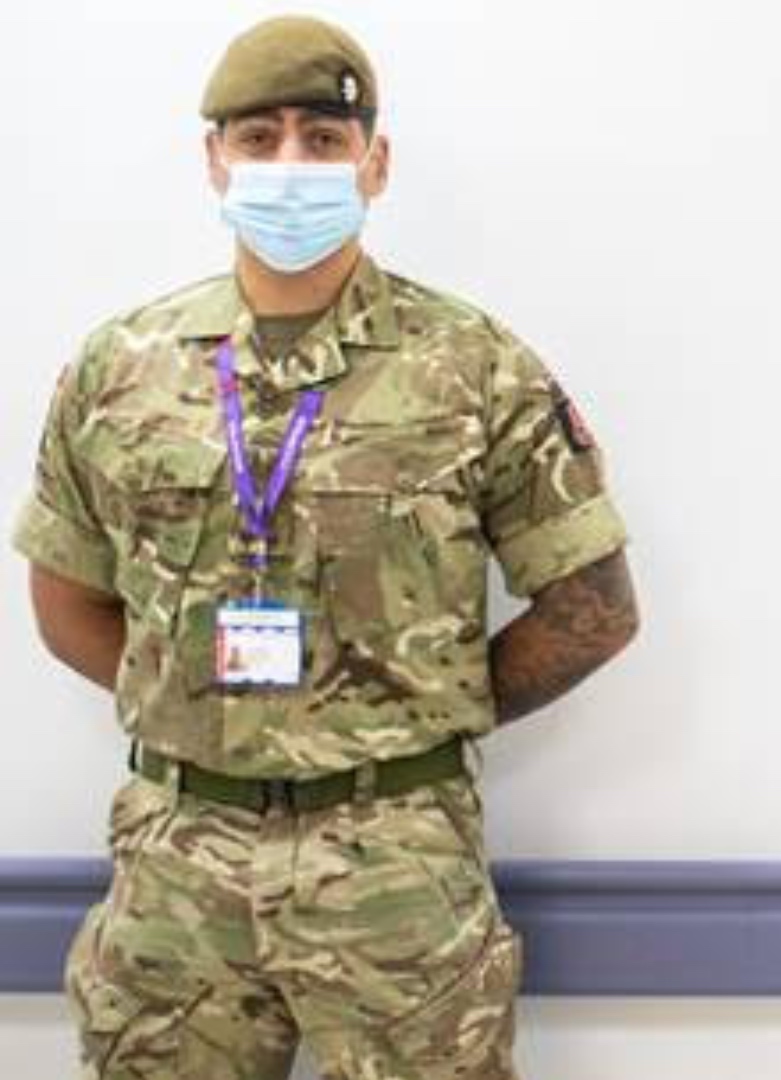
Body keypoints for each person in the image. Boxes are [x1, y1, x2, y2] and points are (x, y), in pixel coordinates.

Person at [15, 15, 639, 1079]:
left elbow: (595, 611)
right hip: (178, 865)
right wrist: (204, 710)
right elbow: (67, 599)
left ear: (374, 162)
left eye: (323, 138)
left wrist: (411, 712)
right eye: (258, 140)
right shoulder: (120, 367)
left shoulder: (476, 368)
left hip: (397, 863)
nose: (290, 166)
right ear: (214, 160)